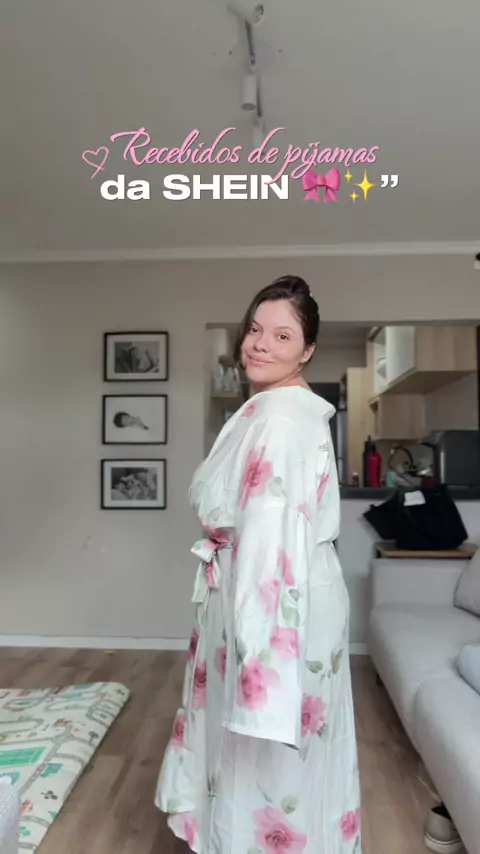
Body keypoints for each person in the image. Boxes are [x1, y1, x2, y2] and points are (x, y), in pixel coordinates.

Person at [155, 275, 362, 854]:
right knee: (281, 769)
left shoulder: (279, 421)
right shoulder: (270, 410)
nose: (260, 344)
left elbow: (271, 541)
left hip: (273, 604)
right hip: (261, 594)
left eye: (282, 335)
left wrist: (262, 673)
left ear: (307, 349)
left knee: (267, 764)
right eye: (254, 329)